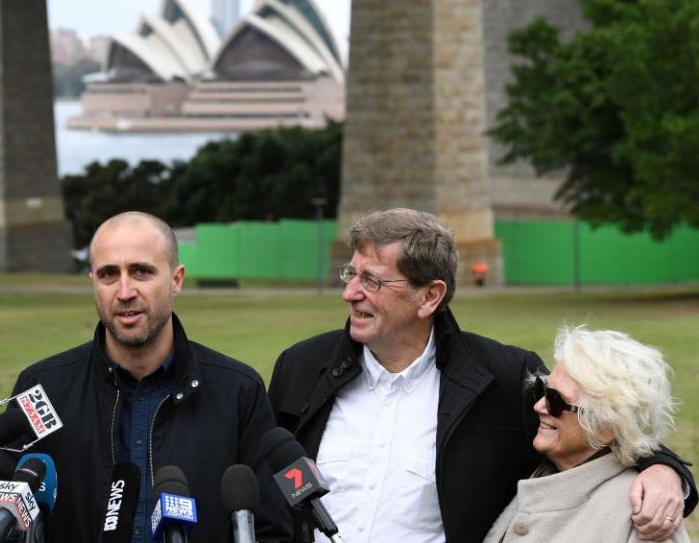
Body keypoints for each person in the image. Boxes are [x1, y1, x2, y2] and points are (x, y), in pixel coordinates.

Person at [267, 208, 695, 543]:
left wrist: (666, 472)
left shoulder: (506, 376)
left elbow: (597, 427)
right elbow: (265, 474)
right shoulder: (302, 367)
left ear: (429, 296)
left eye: (372, 281)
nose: (350, 293)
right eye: (351, 274)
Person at [0, 211, 292, 542]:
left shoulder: (238, 391)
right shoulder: (42, 389)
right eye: (109, 274)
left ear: (176, 280)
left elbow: (270, 529)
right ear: (93, 281)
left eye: (141, 272)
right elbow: (5, 526)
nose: (124, 291)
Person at [484, 326, 690, 542]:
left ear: (606, 427)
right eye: (541, 390)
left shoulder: (643, 513)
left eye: (556, 400)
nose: (538, 406)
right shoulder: (543, 472)